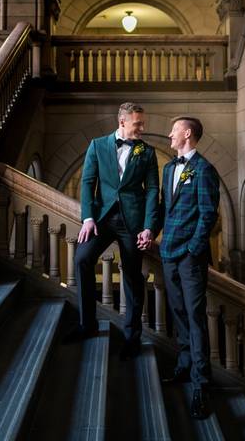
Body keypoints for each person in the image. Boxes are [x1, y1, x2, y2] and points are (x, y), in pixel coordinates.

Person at [65, 102, 159, 360]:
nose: (142, 127)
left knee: (132, 276)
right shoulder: (97, 145)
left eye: (142, 123)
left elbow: (152, 190)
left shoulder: (147, 152)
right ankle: (87, 324)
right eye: (138, 123)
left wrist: (149, 227)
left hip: (133, 222)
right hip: (103, 218)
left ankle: (132, 337)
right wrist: (87, 218)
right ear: (122, 123)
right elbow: (87, 182)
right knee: (82, 258)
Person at [141, 116, 219, 419]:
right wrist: (150, 229)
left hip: (189, 257)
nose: (170, 134)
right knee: (179, 312)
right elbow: (164, 208)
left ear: (187, 134)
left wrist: (193, 249)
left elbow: (207, 215)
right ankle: (185, 367)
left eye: (174, 130)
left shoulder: (204, 170)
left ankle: (202, 384)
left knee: (196, 317)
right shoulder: (170, 168)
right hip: (168, 253)